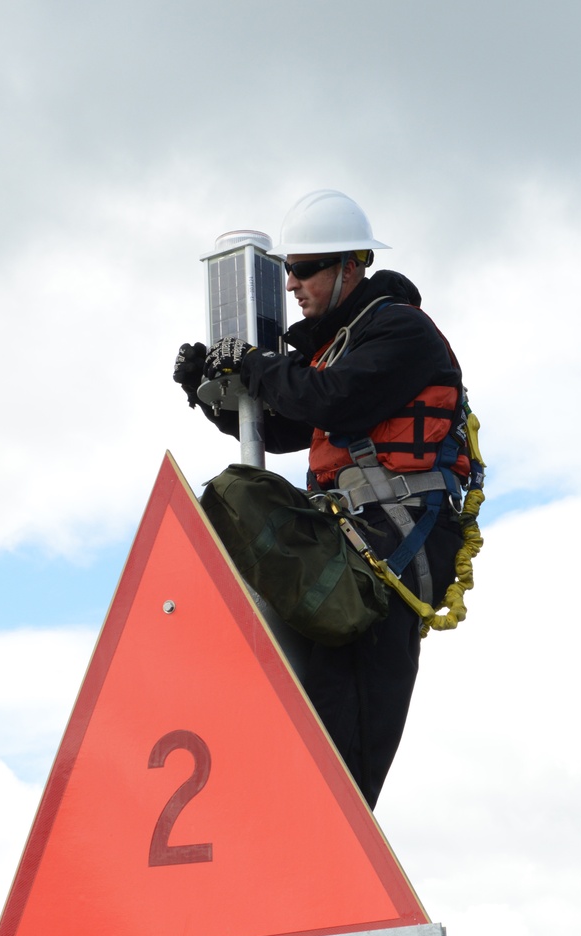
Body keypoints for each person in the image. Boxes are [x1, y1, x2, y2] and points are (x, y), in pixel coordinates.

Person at [173, 189, 471, 808]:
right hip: (349, 547)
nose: (291, 284)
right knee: (233, 503)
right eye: (287, 269)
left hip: (388, 555)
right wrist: (208, 391)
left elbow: (333, 399)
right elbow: (283, 428)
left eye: (304, 268)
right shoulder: (333, 346)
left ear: (350, 265)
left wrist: (257, 366)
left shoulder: (399, 329)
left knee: (345, 745)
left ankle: (338, 852)